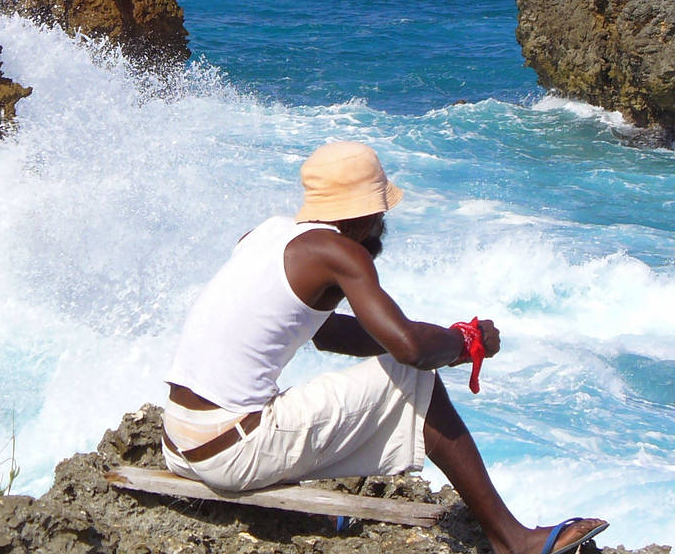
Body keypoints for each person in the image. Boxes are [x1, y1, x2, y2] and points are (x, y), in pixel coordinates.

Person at [162, 141, 608, 554]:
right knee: (415, 378)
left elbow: (328, 332)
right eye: (380, 212)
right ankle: (512, 540)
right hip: (229, 452)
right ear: (360, 214)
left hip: (180, 443)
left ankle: (290, 495)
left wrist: (439, 343)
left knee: (393, 375)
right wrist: (466, 342)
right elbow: (411, 350)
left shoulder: (265, 234)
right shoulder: (341, 253)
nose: (382, 223)